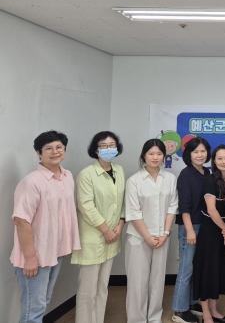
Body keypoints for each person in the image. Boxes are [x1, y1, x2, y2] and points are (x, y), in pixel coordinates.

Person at [11, 130, 80, 323]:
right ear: (39, 153)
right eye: (49, 148)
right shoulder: (31, 181)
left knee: (43, 302)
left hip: (54, 252)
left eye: (59, 147)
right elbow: (21, 220)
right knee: (33, 310)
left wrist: (64, 244)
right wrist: (30, 258)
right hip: (35, 255)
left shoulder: (67, 176)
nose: (55, 151)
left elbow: (64, 213)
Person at [72, 131, 126, 323]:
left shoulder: (119, 170)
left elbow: (122, 201)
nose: (109, 149)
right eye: (104, 146)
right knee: (87, 290)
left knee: (102, 287)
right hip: (94, 237)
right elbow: (85, 206)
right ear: (96, 150)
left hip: (113, 237)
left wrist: (120, 224)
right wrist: (106, 230)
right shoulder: (86, 174)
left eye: (112, 145)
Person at [125, 139, 178, 323]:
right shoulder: (134, 181)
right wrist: (147, 237)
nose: (155, 157)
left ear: (164, 156)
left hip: (162, 237)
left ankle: (154, 318)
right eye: (151, 153)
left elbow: (172, 207)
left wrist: (165, 234)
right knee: (137, 283)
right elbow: (133, 212)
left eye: (159, 154)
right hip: (139, 238)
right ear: (144, 155)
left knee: (157, 280)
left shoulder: (170, 179)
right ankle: (137, 320)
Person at [193, 145, 225, 323]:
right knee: (207, 271)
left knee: (218, 271)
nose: (224, 161)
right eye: (220, 158)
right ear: (214, 161)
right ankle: (206, 313)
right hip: (211, 231)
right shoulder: (210, 180)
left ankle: (214, 310)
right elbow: (211, 210)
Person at [172, 137, 212, 323]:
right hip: (190, 226)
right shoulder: (185, 174)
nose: (200, 155)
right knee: (186, 269)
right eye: (196, 152)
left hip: (205, 227)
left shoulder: (207, 173)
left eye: (203, 151)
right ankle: (179, 310)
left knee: (197, 268)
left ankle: (192, 303)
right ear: (189, 154)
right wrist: (189, 230)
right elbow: (184, 207)